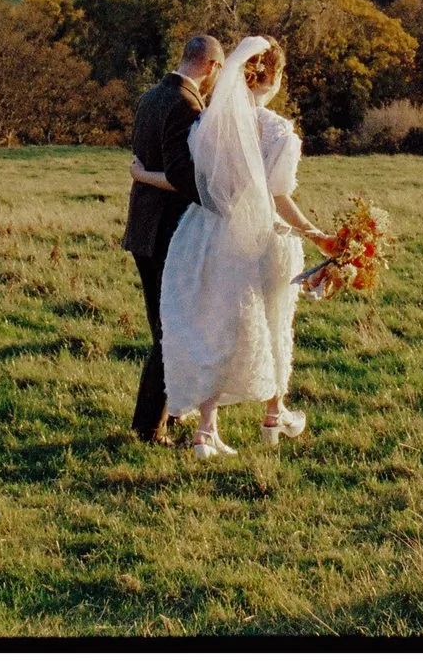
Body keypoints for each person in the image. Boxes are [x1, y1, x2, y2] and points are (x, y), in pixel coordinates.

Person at [133, 36, 336, 454]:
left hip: (204, 236)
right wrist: (316, 234)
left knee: (212, 325)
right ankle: (272, 414)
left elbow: (202, 183)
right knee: (271, 322)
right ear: (274, 77)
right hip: (256, 235)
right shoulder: (277, 130)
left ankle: (207, 428)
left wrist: (143, 175)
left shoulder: (208, 122)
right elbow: (276, 195)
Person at [122, 32, 220, 445]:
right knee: (171, 329)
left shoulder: (149, 97)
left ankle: (170, 409)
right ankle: (149, 428)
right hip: (166, 231)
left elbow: (147, 156)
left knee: (163, 326)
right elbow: (184, 177)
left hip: (142, 227)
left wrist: (143, 175)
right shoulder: (186, 104)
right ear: (212, 67)